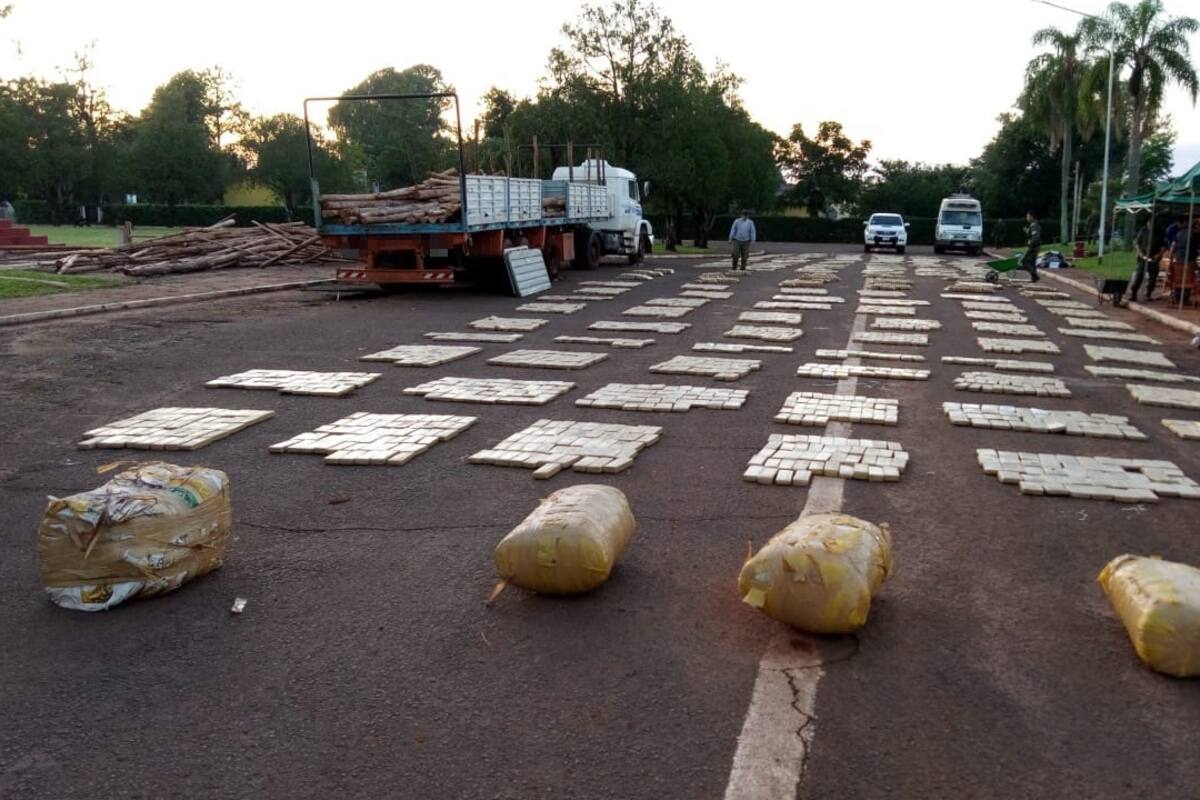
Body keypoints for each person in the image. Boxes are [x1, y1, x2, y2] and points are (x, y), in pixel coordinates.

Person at [1128, 217, 1161, 302]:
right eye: (1149, 224)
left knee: (1153, 277)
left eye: (1152, 224)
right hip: (1143, 257)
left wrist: (1158, 255)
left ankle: (1148, 293)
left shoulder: (1159, 232)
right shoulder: (1143, 231)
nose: (1150, 226)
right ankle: (1133, 293)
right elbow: (1137, 243)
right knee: (1139, 275)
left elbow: (1164, 246)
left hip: (1154, 257)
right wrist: (1140, 253)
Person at [1021, 210, 1041, 283]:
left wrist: (1031, 243)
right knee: (1032, 263)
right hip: (1035, 246)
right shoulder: (1033, 225)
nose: (1027, 218)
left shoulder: (1034, 225)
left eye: (1028, 216)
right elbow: (1032, 235)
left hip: (1033, 247)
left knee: (1025, 261)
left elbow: (1035, 237)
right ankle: (1034, 278)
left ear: (1032, 217)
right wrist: (1027, 231)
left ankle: (1035, 275)